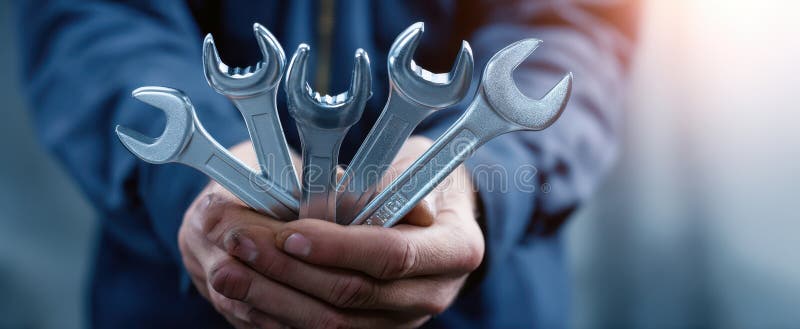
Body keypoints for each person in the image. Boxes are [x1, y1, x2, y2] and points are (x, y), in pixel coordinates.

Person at [15, 1, 638, 328]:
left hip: (477, 310)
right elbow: (93, 21)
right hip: (180, 307)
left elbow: (576, 27)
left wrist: (476, 169)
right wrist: (203, 170)